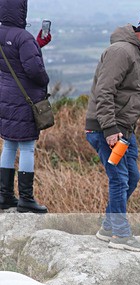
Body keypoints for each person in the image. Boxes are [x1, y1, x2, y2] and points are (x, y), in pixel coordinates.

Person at [86, 3, 140, 253]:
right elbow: (104, 90)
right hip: (107, 129)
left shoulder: (138, 54)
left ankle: (108, 228)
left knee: (132, 177)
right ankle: (121, 235)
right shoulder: (121, 51)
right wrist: (110, 129)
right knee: (119, 179)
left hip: (125, 131)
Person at [0, 0, 50, 213]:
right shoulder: (24, 37)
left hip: (4, 97)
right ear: (22, 10)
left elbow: (14, 60)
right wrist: (45, 78)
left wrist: (38, 44)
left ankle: (5, 195)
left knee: (9, 145)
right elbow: (34, 70)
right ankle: (26, 199)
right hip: (24, 99)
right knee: (28, 147)